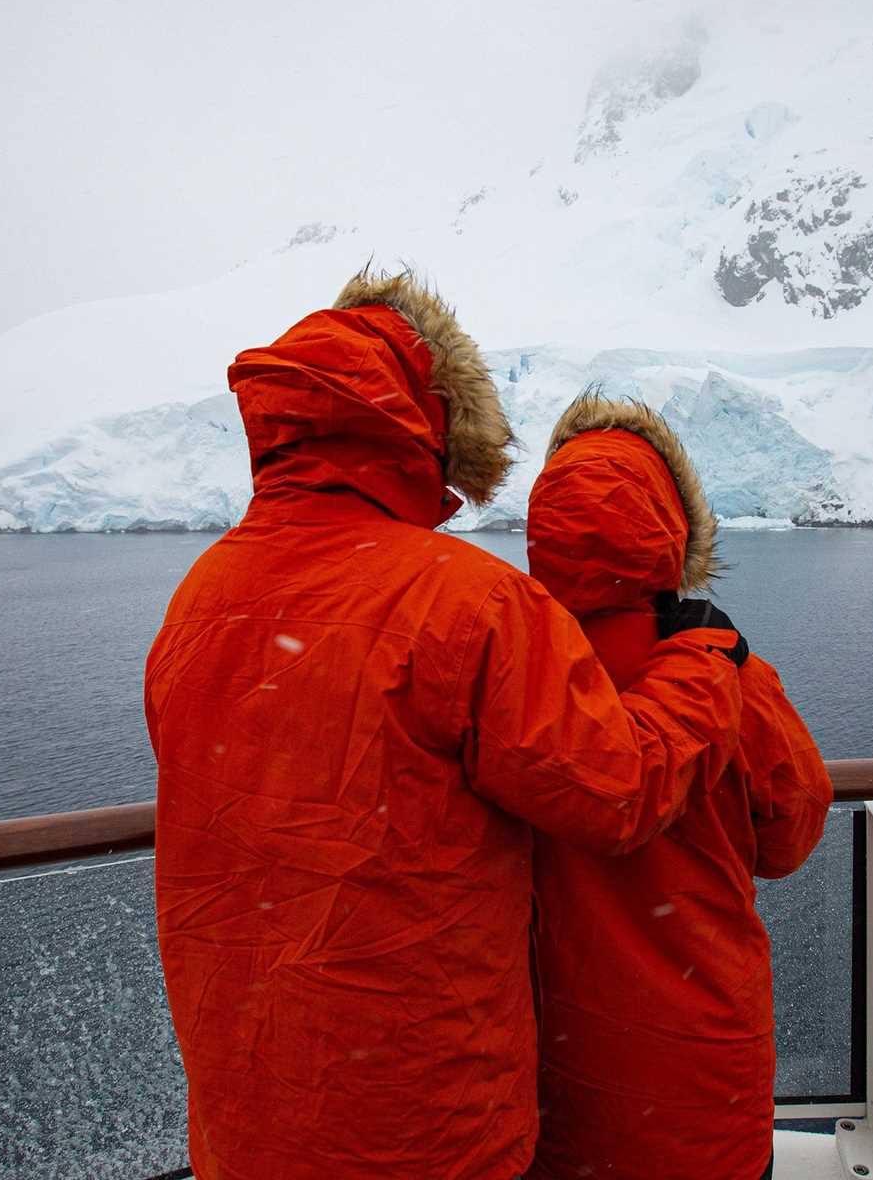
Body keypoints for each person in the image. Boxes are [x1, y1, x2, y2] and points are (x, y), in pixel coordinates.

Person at [144, 270, 750, 1180]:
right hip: (420, 1121)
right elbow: (615, 792)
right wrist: (704, 663)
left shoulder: (198, 602)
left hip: (246, 1113)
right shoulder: (467, 601)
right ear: (431, 425)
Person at [523, 394, 833, 1180]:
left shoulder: (514, 675)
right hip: (701, 1075)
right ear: (676, 526)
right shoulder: (732, 677)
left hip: (551, 1069)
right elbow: (789, 836)